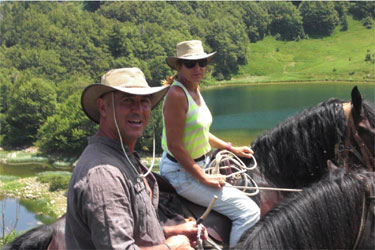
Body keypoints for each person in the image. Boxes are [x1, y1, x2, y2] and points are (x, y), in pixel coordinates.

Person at [65, 67, 207, 250]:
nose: (138, 110)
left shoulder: (123, 157)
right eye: (128, 101)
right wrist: (172, 247)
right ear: (103, 107)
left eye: (144, 101)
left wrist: (170, 232)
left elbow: (133, 231)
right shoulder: (104, 174)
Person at [160, 40, 260, 247]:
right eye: (190, 64)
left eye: (202, 62)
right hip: (181, 173)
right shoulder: (177, 95)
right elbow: (175, 146)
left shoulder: (194, 88)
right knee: (249, 212)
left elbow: (202, 132)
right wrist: (203, 177)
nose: (198, 68)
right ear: (179, 66)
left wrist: (230, 148)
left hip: (198, 164)